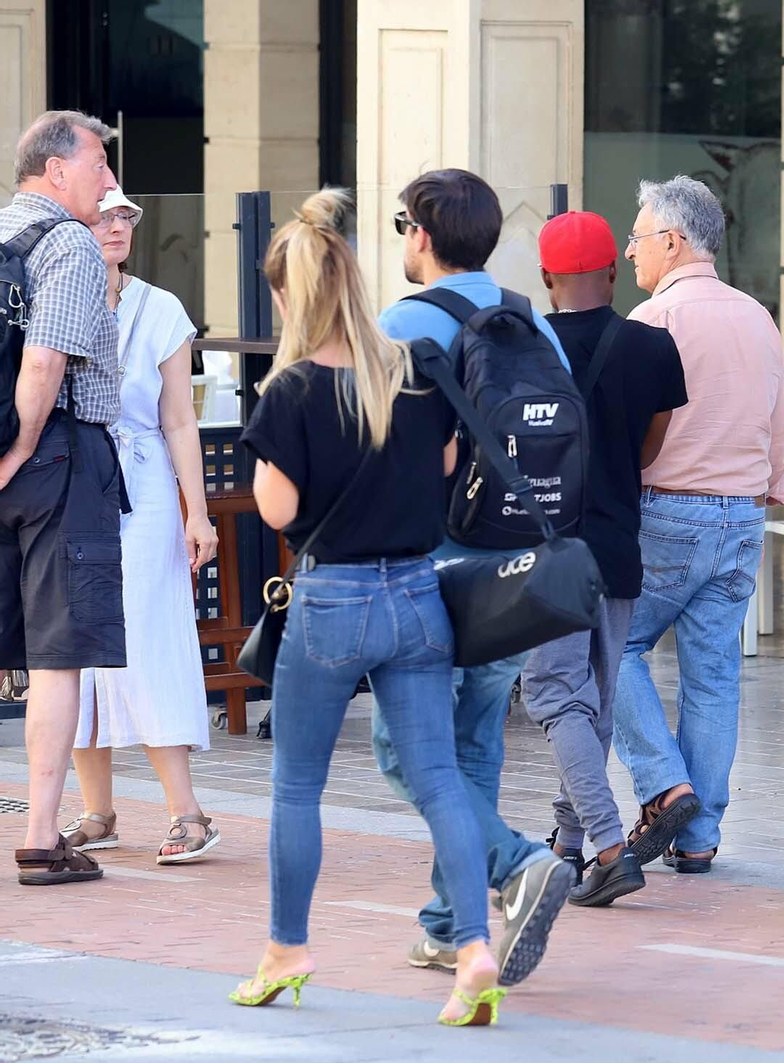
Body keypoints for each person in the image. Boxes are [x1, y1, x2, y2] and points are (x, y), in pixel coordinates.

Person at [232, 189, 509, 1026]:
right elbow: (451, 457)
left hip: (332, 602)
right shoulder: (416, 371)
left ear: (292, 296)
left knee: (298, 786)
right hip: (419, 594)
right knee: (440, 779)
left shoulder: (291, 392)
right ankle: (472, 950)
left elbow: (277, 510)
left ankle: (286, 949)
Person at [370, 168, 575, 979]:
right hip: (519, 559)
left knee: (403, 747)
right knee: (476, 737)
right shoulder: (531, 322)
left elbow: (381, 450)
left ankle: (516, 861)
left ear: (421, 235)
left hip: (432, 558)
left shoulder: (401, 323)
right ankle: (452, 923)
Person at [610, 176, 784, 875]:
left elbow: (631, 431)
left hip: (670, 511)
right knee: (714, 674)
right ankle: (699, 835)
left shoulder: (654, 321)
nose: (631, 252)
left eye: (638, 236)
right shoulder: (757, 316)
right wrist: (767, 485)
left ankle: (666, 784)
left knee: (612, 645)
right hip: (744, 513)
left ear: (673, 241)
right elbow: (774, 423)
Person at [524, 210, 686, 904]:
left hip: (545, 549)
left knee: (555, 695)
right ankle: (566, 840)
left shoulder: (519, 350)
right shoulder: (653, 347)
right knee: (592, 702)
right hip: (618, 543)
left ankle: (611, 848)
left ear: (545, 277)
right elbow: (652, 446)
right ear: (614, 274)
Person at [66, 187, 220, 865]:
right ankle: (97, 810)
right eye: (102, 215)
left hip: (145, 490)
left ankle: (187, 811)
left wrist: (200, 511)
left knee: (147, 635)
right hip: (71, 489)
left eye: (124, 215)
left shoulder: (161, 309)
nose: (117, 225)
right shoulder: (51, 306)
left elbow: (179, 420)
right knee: (69, 643)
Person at [1, 111, 123, 887]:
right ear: (55, 170)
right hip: (51, 456)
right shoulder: (69, 244)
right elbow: (45, 363)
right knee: (56, 653)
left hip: (12, 457)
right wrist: (15, 448)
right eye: (100, 165)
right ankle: (43, 835)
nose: (109, 184)